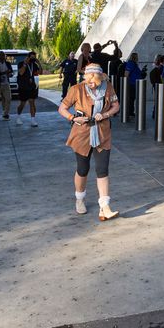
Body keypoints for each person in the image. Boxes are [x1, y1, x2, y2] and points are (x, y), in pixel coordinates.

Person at [58, 64, 121, 221]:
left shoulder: (107, 87)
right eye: (88, 80)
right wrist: (73, 118)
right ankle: (80, 199)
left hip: (102, 133)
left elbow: (116, 106)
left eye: (95, 81)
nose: (91, 84)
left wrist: (105, 115)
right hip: (82, 133)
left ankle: (105, 207)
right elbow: (62, 108)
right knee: (83, 168)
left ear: (100, 78)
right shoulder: (77, 89)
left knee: (102, 169)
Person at [15, 52, 41, 127]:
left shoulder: (34, 64)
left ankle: (33, 120)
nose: (33, 59)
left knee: (32, 102)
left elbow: (40, 72)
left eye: (34, 57)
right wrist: (25, 64)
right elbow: (21, 73)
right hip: (23, 87)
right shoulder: (21, 63)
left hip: (31, 86)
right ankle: (18, 117)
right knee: (22, 104)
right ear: (28, 57)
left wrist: (39, 63)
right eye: (31, 57)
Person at [0, 51, 13, 120]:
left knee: (8, 99)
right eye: (1, 56)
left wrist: (10, 74)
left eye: (4, 55)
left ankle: (5, 114)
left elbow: (11, 72)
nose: (3, 57)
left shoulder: (8, 63)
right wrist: (4, 72)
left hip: (6, 84)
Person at [123, 52, 141, 117]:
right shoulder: (131, 63)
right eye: (136, 57)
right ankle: (129, 112)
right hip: (131, 84)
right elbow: (126, 74)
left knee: (132, 98)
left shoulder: (134, 64)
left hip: (134, 83)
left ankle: (131, 111)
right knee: (131, 98)